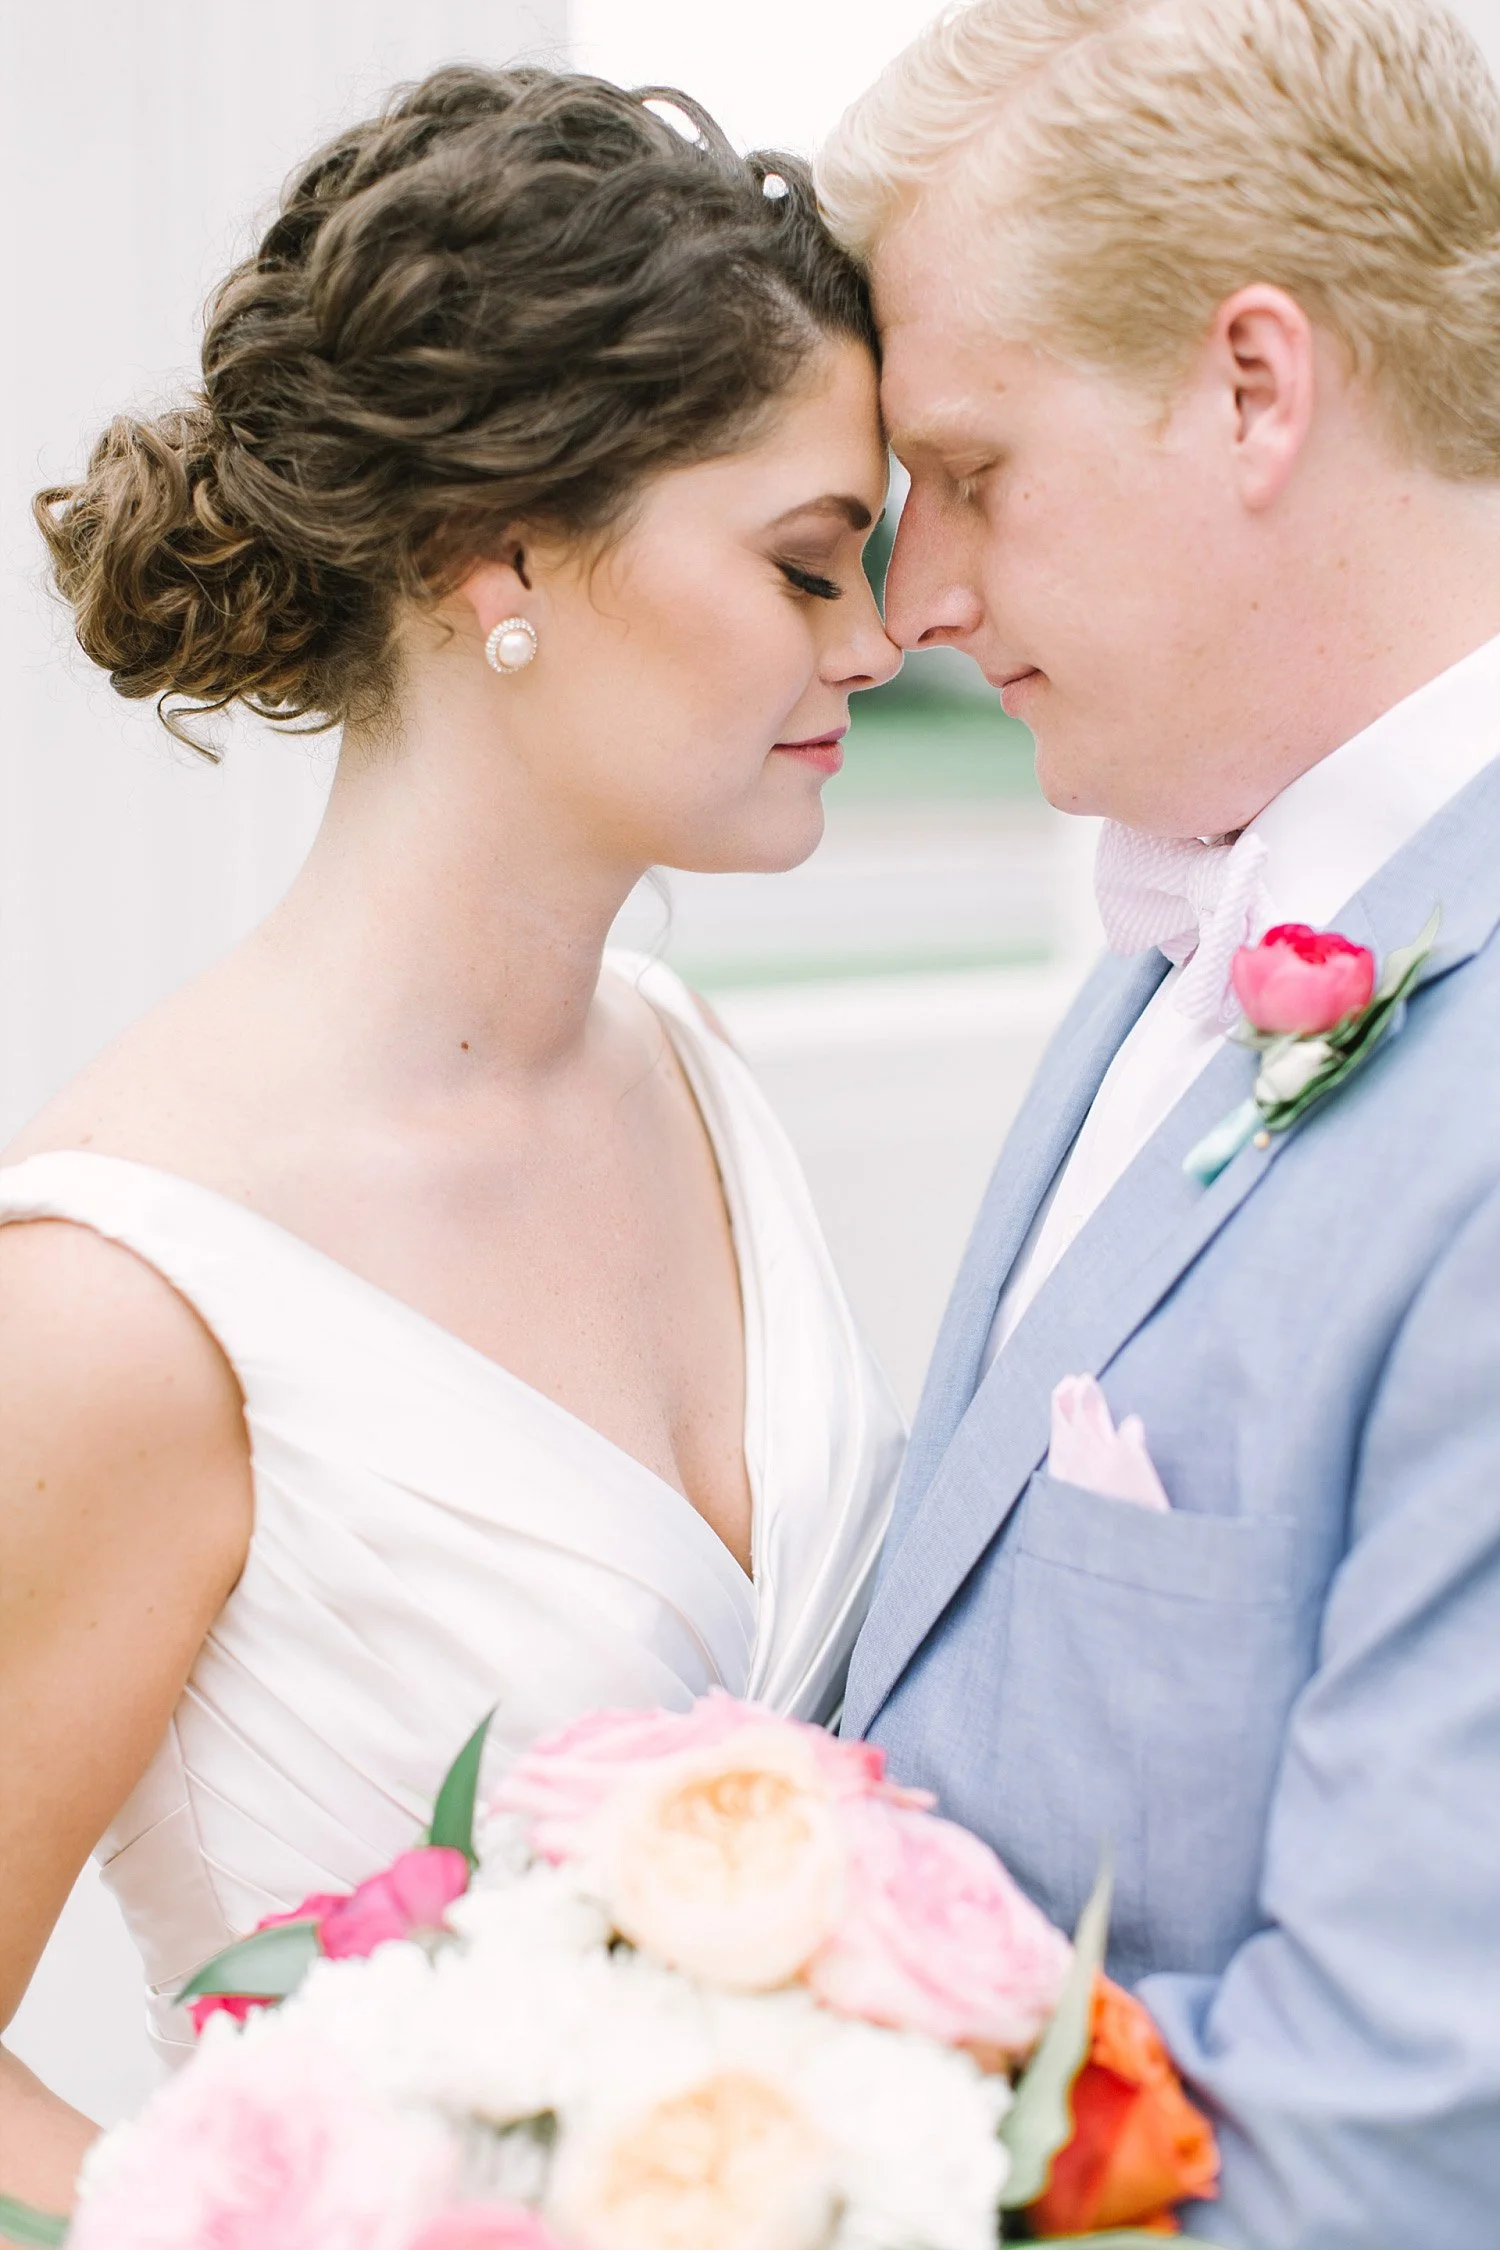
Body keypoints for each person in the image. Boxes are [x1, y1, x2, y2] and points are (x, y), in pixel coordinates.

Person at [0, 66, 905, 2210]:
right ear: (492, 551)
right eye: (804, 566)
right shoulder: (124, 1302)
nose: (875, 644)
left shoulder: (689, 1067)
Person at [819, 0, 1500, 2242]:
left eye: (971, 472)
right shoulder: (1178, 916)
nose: (914, 599)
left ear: (1254, 388)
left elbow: (1401, 2137)